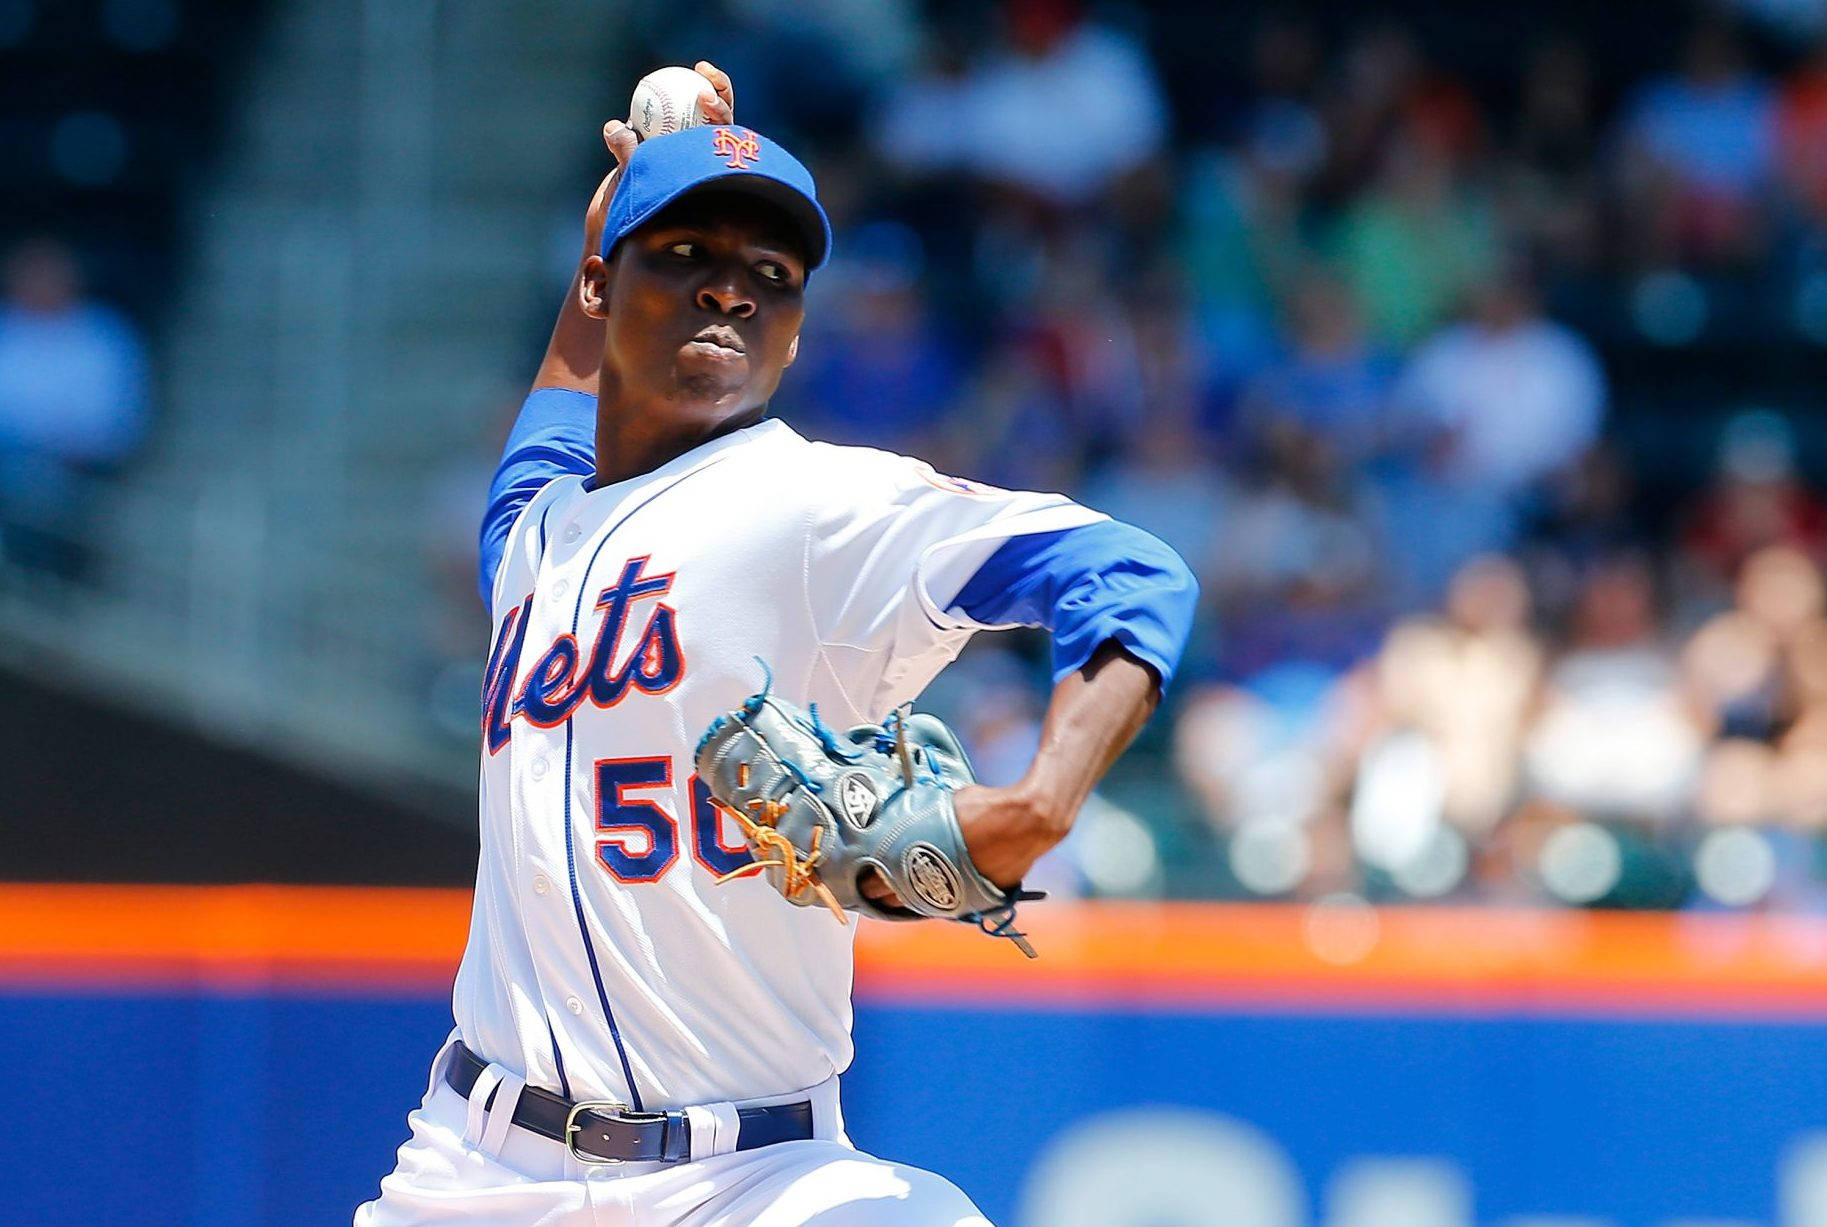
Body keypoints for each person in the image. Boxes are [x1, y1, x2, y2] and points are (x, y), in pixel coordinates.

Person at [357, 64, 1196, 1226]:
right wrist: (614, 209)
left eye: (772, 276)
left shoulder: (812, 510)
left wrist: (1042, 804)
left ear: (796, 335)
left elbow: (1133, 574)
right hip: (470, 1170)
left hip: (753, 1178)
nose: (732, 293)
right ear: (606, 284)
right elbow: (556, 409)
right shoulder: (533, 539)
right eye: (688, 252)